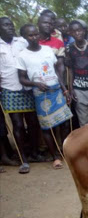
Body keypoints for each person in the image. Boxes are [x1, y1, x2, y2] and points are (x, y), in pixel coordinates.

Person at [17, 24, 72, 170]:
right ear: (25, 37)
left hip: (56, 89)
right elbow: (22, 78)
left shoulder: (47, 50)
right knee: (48, 127)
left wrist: (64, 88)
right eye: (30, 35)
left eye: (36, 34)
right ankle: (56, 157)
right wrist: (35, 83)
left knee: (65, 123)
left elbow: (55, 72)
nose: (34, 37)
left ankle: (66, 151)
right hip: (41, 93)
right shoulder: (22, 55)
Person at [0, 17, 41, 173]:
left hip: (28, 88)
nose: (10, 27)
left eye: (11, 24)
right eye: (5, 25)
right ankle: (23, 159)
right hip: (9, 88)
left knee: (32, 123)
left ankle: (34, 153)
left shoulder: (22, 42)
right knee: (17, 124)